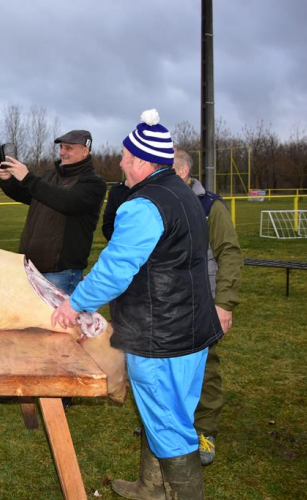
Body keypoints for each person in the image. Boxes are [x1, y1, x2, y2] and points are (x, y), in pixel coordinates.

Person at [52, 109, 223, 499]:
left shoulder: (142, 206)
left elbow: (114, 270)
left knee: (168, 420)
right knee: (166, 412)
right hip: (192, 327)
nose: (120, 162)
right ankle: (151, 488)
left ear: (144, 162)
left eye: (126, 157)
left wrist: (75, 305)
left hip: (160, 334)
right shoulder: (181, 193)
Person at [173, 146, 243, 466]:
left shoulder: (210, 207)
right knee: (170, 368)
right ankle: (173, 427)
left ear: (183, 171)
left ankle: (205, 431)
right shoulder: (158, 202)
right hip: (167, 305)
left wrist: (224, 303)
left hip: (203, 304)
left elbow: (229, 254)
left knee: (205, 370)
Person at [0, 130, 106, 295]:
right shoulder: (49, 176)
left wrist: (28, 178)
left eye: (68, 148)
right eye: (61, 147)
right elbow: (27, 194)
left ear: (85, 150)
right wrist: (8, 180)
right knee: (31, 320)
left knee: (59, 320)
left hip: (61, 273)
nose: (62, 152)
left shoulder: (93, 183)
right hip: (30, 267)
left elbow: (67, 201)